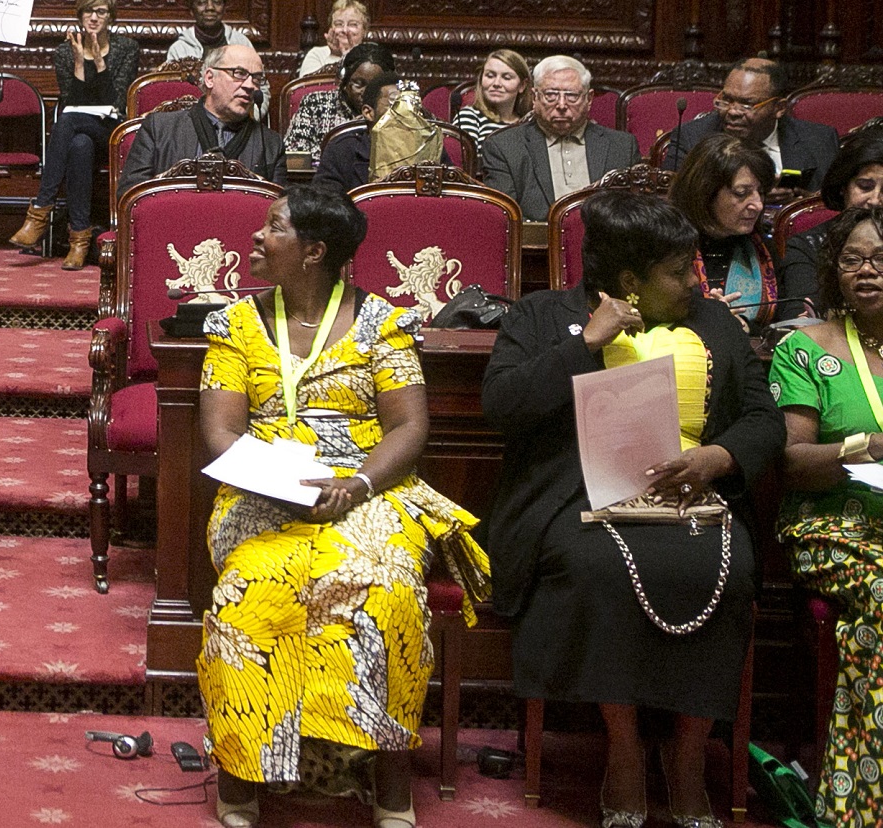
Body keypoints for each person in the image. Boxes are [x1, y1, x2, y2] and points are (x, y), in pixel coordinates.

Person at [483, 192, 782, 828]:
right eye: (679, 272)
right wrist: (582, 347)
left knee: (724, 574)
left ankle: (687, 754)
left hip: (697, 502)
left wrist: (716, 459)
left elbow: (764, 420)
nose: (694, 283)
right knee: (598, 571)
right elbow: (503, 406)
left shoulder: (715, 324)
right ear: (629, 282)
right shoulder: (541, 316)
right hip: (580, 502)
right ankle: (622, 751)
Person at [196, 185, 487, 828]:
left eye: (273, 227)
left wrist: (354, 485)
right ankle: (243, 775)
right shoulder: (235, 323)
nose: (255, 237)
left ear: (314, 252)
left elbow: (409, 429)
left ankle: (387, 776)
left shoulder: (382, 322)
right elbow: (220, 433)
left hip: (368, 486)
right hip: (262, 490)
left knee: (381, 590)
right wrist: (279, 484)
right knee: (252, 591)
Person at [769, 206, 883, 827]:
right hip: (833, 526)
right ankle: (859, 803)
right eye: (853, 259)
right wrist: (864, 447)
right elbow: (793, 460)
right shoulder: (807, 347)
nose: (866, 271)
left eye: (881, 260)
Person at [11, 0, 143, 261]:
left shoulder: (127, 48)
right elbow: (71, 99)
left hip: (111, 129)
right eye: (88, 11)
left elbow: (116, 101)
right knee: (80, 145)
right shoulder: (64, 52)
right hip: (81, 128)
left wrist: (100, 64)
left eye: (101, 11)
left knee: (68, 121)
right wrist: (80, 64)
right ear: (80, 15)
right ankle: (79, 240)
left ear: (111, 17)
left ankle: (40, 210)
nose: (93, 17)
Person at [479, 54, 638, 220]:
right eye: (551, 95)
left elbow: (635, 218)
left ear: (589, 99)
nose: (561, 105)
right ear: (535, 98)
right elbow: (504, 219)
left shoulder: (622, 146)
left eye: (571, 95)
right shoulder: (504, 147)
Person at [123, 42, 284, 198]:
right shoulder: (159, 128)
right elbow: (130, 197)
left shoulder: (271, 144)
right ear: (209, 78)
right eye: (239, 73)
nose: (250, 86)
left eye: (256, 78)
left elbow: (278, 211)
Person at [661, 56, 840, 192]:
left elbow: (832, 204)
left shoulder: (819, 140)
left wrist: (799, 201)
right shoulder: (692, 138)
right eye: (727, 100)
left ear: (779, 107)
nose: (732, 112)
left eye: (747, 104)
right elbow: (677, 201)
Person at [670, 134, 777, 332]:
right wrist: (710, 315)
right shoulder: (666, 248)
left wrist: (744, 326)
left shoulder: (762, 247)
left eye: (760, 192)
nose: (758, 205)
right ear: (705, 192)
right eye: (741, 193)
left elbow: (787, 321)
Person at [777, 126, 883, 320]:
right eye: (865, 187)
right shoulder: (807, 244)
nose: (875, 200)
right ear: (843, 187)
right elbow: (801, 313)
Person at [283, 42, 397, 158]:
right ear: (344, 81)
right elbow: (295, 152)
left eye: (375, 85)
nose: (367, 93)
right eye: (358, 84)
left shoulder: (398, 109)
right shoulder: (315, 104)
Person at [163, 0, 251, 64]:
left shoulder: (241, 42)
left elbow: (255, 74)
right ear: (192, 10)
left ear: (224, 8)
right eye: (202, 2)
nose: (210, 7)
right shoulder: (179, 49)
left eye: (216, 2)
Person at [451, 48, 532, 144]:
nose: (496, 83)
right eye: (490, 76)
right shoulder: (469, 117)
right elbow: (466, 158)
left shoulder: (529, 123)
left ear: (522, 85)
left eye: (506, 78)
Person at [296, 0, 371, 78]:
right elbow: (309, 88)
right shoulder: (316, 55)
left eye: (353, 24)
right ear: (331, 28)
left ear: (364, 30)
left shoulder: (373, 58)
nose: (345, 30)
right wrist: (334, 56)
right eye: (339, 24)